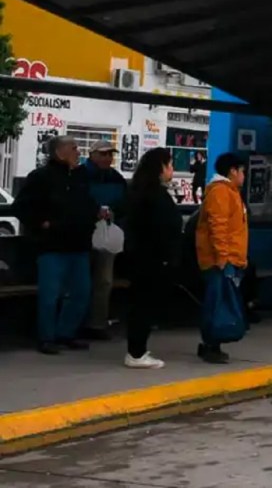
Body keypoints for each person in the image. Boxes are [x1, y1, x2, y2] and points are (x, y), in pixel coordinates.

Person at [13, 135, 103, 355]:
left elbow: (87, 203)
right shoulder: (41, 177)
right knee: (50, 295)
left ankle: (66, 332)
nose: (78, 152)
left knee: (81, 292)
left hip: (79, 244)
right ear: (59, 152)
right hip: (51, 245)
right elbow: (21, 206)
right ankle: (47, 337)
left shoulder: (81, 177)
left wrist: (95, 214)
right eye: (74, 148)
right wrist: (41, 223)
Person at [122, 148, 182, 369]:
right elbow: (159, 227)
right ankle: (136, 353)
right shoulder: (152, 196)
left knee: (143, 304)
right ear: (160, 167)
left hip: (144, 257)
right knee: (143, 305)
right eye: (170, 164)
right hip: (151, 258)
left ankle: (138, 349)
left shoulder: (142, 192)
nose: (172, 169)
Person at [194, 152, 248, 364]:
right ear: (232, 171)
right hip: (220, 261)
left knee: (220, 302)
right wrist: (223, 257)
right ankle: (210, 345)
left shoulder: (230, 192)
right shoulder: (221, 192)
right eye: (242, 171)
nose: (244, 176)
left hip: (229, 259)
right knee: (216, 304)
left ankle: (213, 344)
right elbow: (218, 226)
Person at [82, 140, 129, 341]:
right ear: (92, 154)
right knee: (82, 281)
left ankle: (97, 323)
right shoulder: (80, 175)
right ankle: (77, 323)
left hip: (106, 234)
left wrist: (114, 211)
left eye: (110, 154)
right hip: (82, 235)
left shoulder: (116, 178)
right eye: (103, 154)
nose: (107, 158)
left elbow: (126, 203)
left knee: (104, 281)